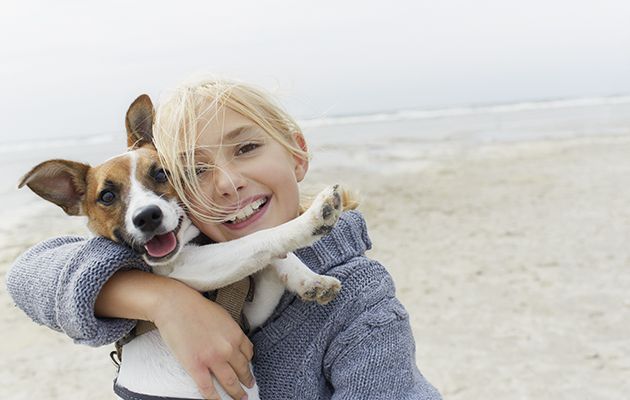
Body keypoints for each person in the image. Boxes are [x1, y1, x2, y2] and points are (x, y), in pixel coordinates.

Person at [6, 77, 442, 400]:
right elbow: (26, 274)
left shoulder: (362, 302)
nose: (228, 183)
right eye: (194, 170)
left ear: (298, 155)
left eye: (247, 148)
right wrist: (161, 301)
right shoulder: (145, 255)